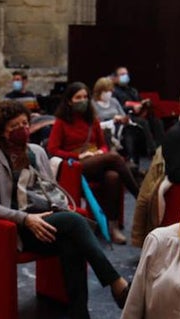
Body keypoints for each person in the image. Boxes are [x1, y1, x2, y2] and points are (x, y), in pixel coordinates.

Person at [0, 100, 129, 319]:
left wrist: (51, 213)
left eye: (26, 124)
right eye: (15, 126)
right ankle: (116, 282)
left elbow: (49, 192)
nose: (23, 129)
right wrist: (25, 219)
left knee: (72, 242)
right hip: (19, 227)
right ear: (3, 130)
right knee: (75, 222)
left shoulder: (37, 151)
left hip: (48, 219)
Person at [46, 82, 141, 245]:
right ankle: (140, 198)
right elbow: (53, 149)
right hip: (74, 165)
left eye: (85, 97)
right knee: (115, 158)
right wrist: (78, 156)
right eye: (78, 97)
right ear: (69, 101)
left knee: (113, 176)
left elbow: (103, 144)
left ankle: (113, 226)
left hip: (96, 160)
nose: (82, 100)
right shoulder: (61, 122)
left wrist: (100, 152)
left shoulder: (93, 120)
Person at [112, 66, 164, 157]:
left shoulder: (132, 90)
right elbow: (116, 108)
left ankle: (162, 148)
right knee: (143, 122)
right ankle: (152, 150)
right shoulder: (114, 92)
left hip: (139, 113)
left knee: (157, 121)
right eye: (122, 74)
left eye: (126, 74)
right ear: (116, 78)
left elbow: (138, 102)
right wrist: (131, 108)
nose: (125, 76)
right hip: (126, 116)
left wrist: (143, 104)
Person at [92, 76, 130, 155]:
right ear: (99, 91)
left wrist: (121, 118)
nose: (109, 93)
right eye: (106, 91)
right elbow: (94, 122)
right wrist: (112, 119)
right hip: (103, 128)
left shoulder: (114, 101)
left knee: (129, 130)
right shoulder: (93, 104)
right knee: (108, 132)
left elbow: (123, 115)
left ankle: (131, 157)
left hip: (118, 126)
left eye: (110, 91)